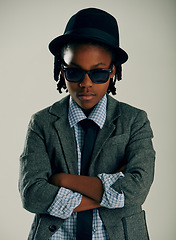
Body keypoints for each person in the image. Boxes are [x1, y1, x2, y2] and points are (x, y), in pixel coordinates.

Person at [19, 8, 155, 240]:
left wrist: (62, 180)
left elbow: (137, 190)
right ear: (61, 71)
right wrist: (110, 192)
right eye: (74, 72)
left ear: (113, 72)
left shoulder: (134, 121)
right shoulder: (41, 123)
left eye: (98, 73)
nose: (86, 83)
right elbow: (32, 194)